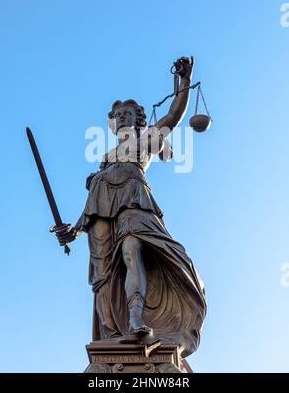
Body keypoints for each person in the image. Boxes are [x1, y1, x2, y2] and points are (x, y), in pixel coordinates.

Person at [53, 57, 206, 357]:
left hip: (135, 200)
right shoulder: (107, 158)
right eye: (117, 114)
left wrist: (184, 83)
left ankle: (137, 318)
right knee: (103, 276)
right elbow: (92, 202)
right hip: (100, 209)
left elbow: (173, 116)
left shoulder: (147, 138)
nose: (122, 117)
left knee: (132, 250)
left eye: (128, 113)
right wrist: (72, 231)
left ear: (138, 119)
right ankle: (112, 334)